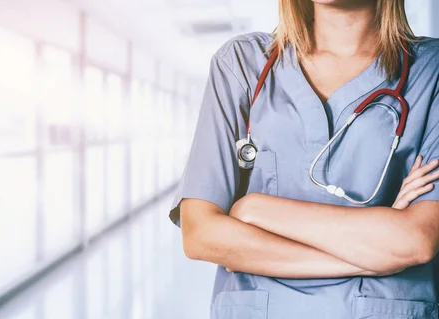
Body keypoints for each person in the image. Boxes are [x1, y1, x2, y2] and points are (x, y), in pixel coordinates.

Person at [168, 0, 439, 318]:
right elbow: (201, 234)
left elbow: (417, 240)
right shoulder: (242, 64)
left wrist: (256, 209)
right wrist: (374, 256)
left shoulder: (430, 70)